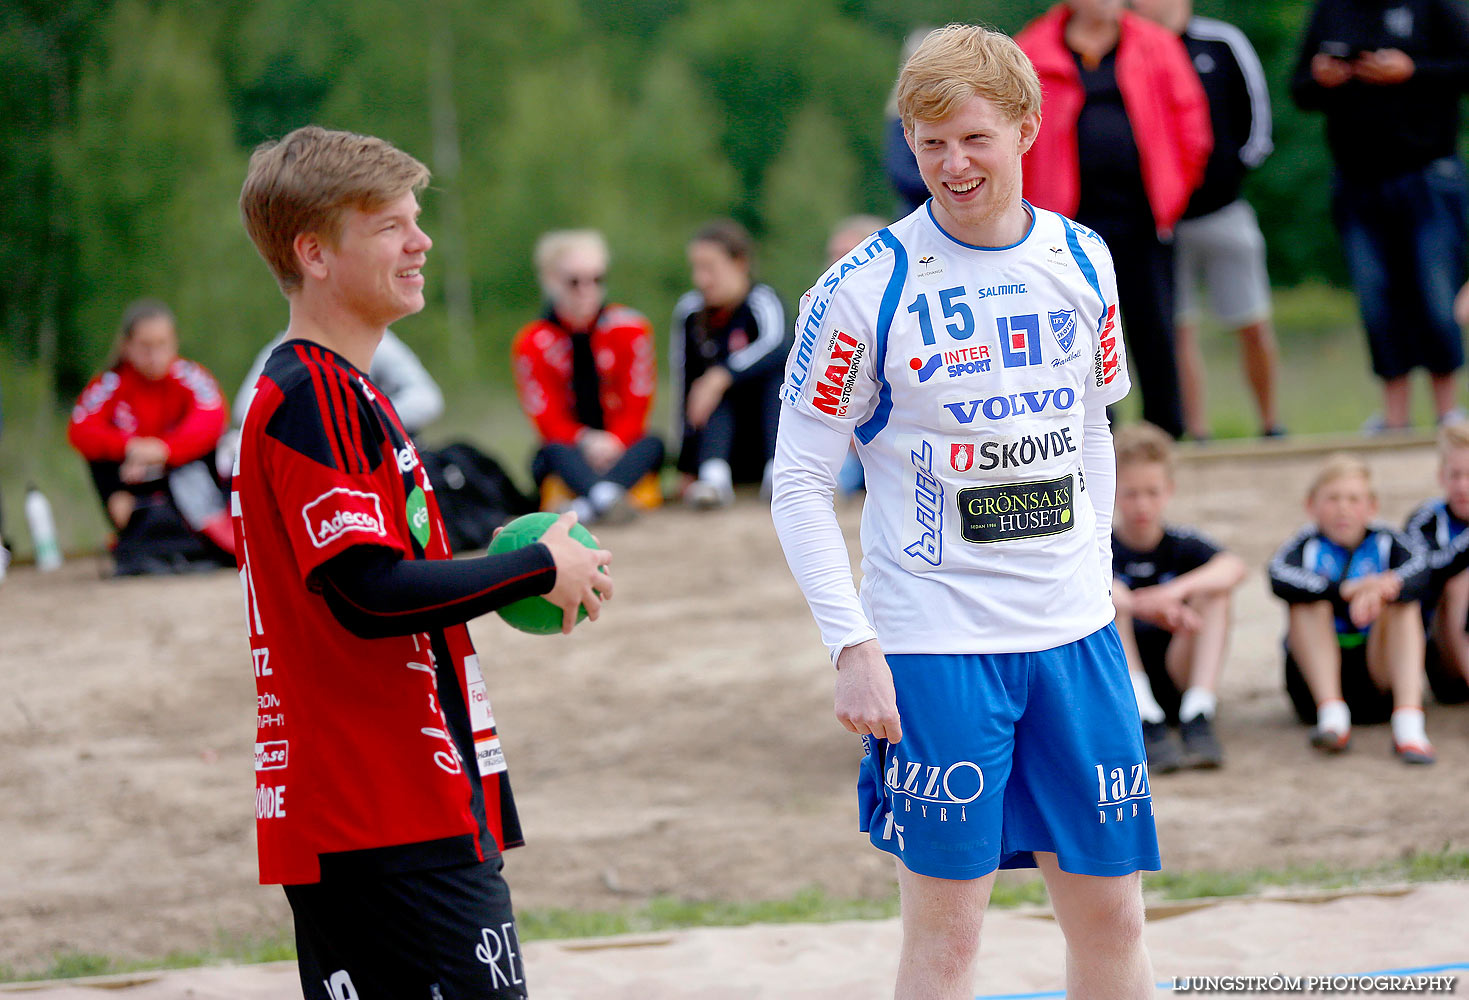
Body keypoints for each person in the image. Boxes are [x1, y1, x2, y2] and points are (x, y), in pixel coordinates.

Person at [772, 25, 1157, 998]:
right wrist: (850, 642)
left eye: (974, 139)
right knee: (948, 937)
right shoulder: (860, 290)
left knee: (1111, 916)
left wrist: (1095, 580)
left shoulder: (1081, 258)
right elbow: (797, 480)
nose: (950, 164)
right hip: (935, 649)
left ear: (1026, 128)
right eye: (927, 141)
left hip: (1072, 640)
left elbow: (1092, 428)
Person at [234, 125, 613, 999]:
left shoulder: (342, 388)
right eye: (390, 225)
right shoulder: (314, 393)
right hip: (383, 806)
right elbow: (364, 592)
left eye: (416, 219)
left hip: (386, 800)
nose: (421, 241)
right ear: (314, 252)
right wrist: (530, 568)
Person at [1017, 0, 1211, 439]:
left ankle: (1167, 434)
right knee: (1074, 332)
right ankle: (1090, 433)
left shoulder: (1156, 45)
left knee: (1155, 326)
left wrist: (1174, 190)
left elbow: (1192, 122)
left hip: (1143, 217)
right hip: (1066, 223)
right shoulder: (1031, 49)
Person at [1292, 0, 1469, 431]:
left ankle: (1448, 414)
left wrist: (1413, 71)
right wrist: (1322, 79)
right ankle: (1395, 419)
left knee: (1436, 295)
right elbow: (1298, 88)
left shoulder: (1437, 5)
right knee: (1377, 301)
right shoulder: (1331, 9)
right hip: (1357, 181)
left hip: (1427, 173)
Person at [1132, 0, 1282, 440]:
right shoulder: (1130, 52)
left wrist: (1228, 176)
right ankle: (1198, 430)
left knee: (1252, 320)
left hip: (1223, 209)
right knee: (1177, 328)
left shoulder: (1220, 41)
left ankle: (1270, 422)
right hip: (1160, 222)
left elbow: (1255, 119)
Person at [1268, 454, 1433, 764]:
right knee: (1306, 602)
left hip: (1378, 674)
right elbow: (1277, 576)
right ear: (1311, 505)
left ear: (1372, 507)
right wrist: (1342, 591)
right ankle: (1332, 718)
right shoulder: (1303, 546)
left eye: (1353, 499)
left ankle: (1409, 725)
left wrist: (1383, 587)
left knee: (1402, 603)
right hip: (1312, 687)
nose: (1343, 508)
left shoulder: (1388, 541)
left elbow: (1422, 570)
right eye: (1332, 499)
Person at [1110, 422, 1246, 772]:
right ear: (1111, 490)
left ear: (1168, 491)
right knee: (1111, 596)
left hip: (1178, 670)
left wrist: (1171, 594)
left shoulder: (1183, 543)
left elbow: (1233, 567)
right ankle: (1144, 718)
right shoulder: (1101, 546)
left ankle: (1198, 711)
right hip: (1122, 685)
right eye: (1130, 493)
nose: (1142, 504)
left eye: (1152, 492)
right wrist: (1141, 604)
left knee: (1214, 594)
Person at [67, 299, 235, 575]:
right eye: (145, 346)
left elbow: (213, 418)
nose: (155, 355)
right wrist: (131, 448)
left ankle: (203, 531)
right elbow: (81, 429)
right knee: (100, 461)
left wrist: (162, 450)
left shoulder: (189, 376)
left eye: (162, 344)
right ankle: (142, 530)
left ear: (175, 342)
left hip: (182, 475)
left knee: (226, 446)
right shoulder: (111, 383)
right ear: (127, 346)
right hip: (130, 481)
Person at [512, 230, 663, 525]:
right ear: (550, 280)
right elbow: (547, 419)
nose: (587, 290)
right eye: (574, 281)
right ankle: (606, 498)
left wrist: (614, 441)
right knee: (548, 453)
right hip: (572, 451)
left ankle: (590, 502)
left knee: (655, 444)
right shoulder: (532, 342)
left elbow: (638, 405)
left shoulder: (632, 328)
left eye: (596, 279)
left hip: (621, 446)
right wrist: (587, 441)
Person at [671, 220, 786, 508]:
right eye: (696, 268)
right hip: (720, 442)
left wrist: (723, 375)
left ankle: (779, 474)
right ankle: (712, 478)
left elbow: (778, 345)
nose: (701, 279)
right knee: (709, 388)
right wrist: (685, 465)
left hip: (767, 434)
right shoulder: (690, 312)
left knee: (771, 381)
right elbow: (684, 383)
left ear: (739, 263)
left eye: (710, 268)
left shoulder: (763, 301)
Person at [235, 328, 444, 436]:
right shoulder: (283, 350)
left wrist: (360, 424)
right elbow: (245, 411)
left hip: (380, 456)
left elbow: (428, 399)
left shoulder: (376, 340)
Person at [1403, 422, 1469, 703]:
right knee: (1462, 579)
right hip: (1446, 656)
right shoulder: (1425, 520)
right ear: (1441, 477)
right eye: (1455, 475)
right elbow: (1424, 571)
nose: (1463, 486)